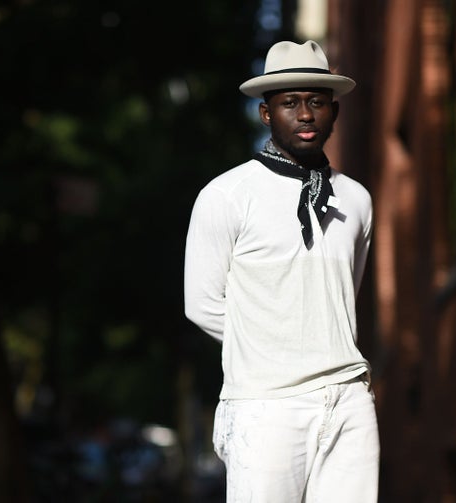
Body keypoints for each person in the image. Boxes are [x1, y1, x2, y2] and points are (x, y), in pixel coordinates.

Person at [183, 39, 379, 502]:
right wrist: (270, 351)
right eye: (289, 103)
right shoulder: (227, 194)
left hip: (348, 397)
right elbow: (203, 304)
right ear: (266, 115)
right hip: (264, 403)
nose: (305, 114)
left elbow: (342, 293)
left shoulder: (356, 200)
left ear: (334, 110)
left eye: (316, 102)